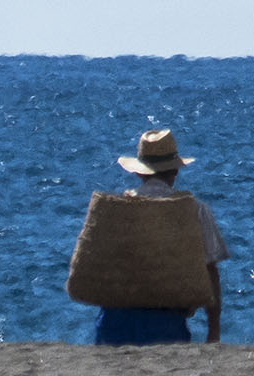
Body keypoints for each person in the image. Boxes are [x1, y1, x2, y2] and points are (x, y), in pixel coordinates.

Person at [93, 129, 229, 346]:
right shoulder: (195, 210)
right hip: (166, 321)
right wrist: (214, 331)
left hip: (113, 321)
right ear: (175, 170)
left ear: (138, 172)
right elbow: (210, 272)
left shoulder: (118, 210)